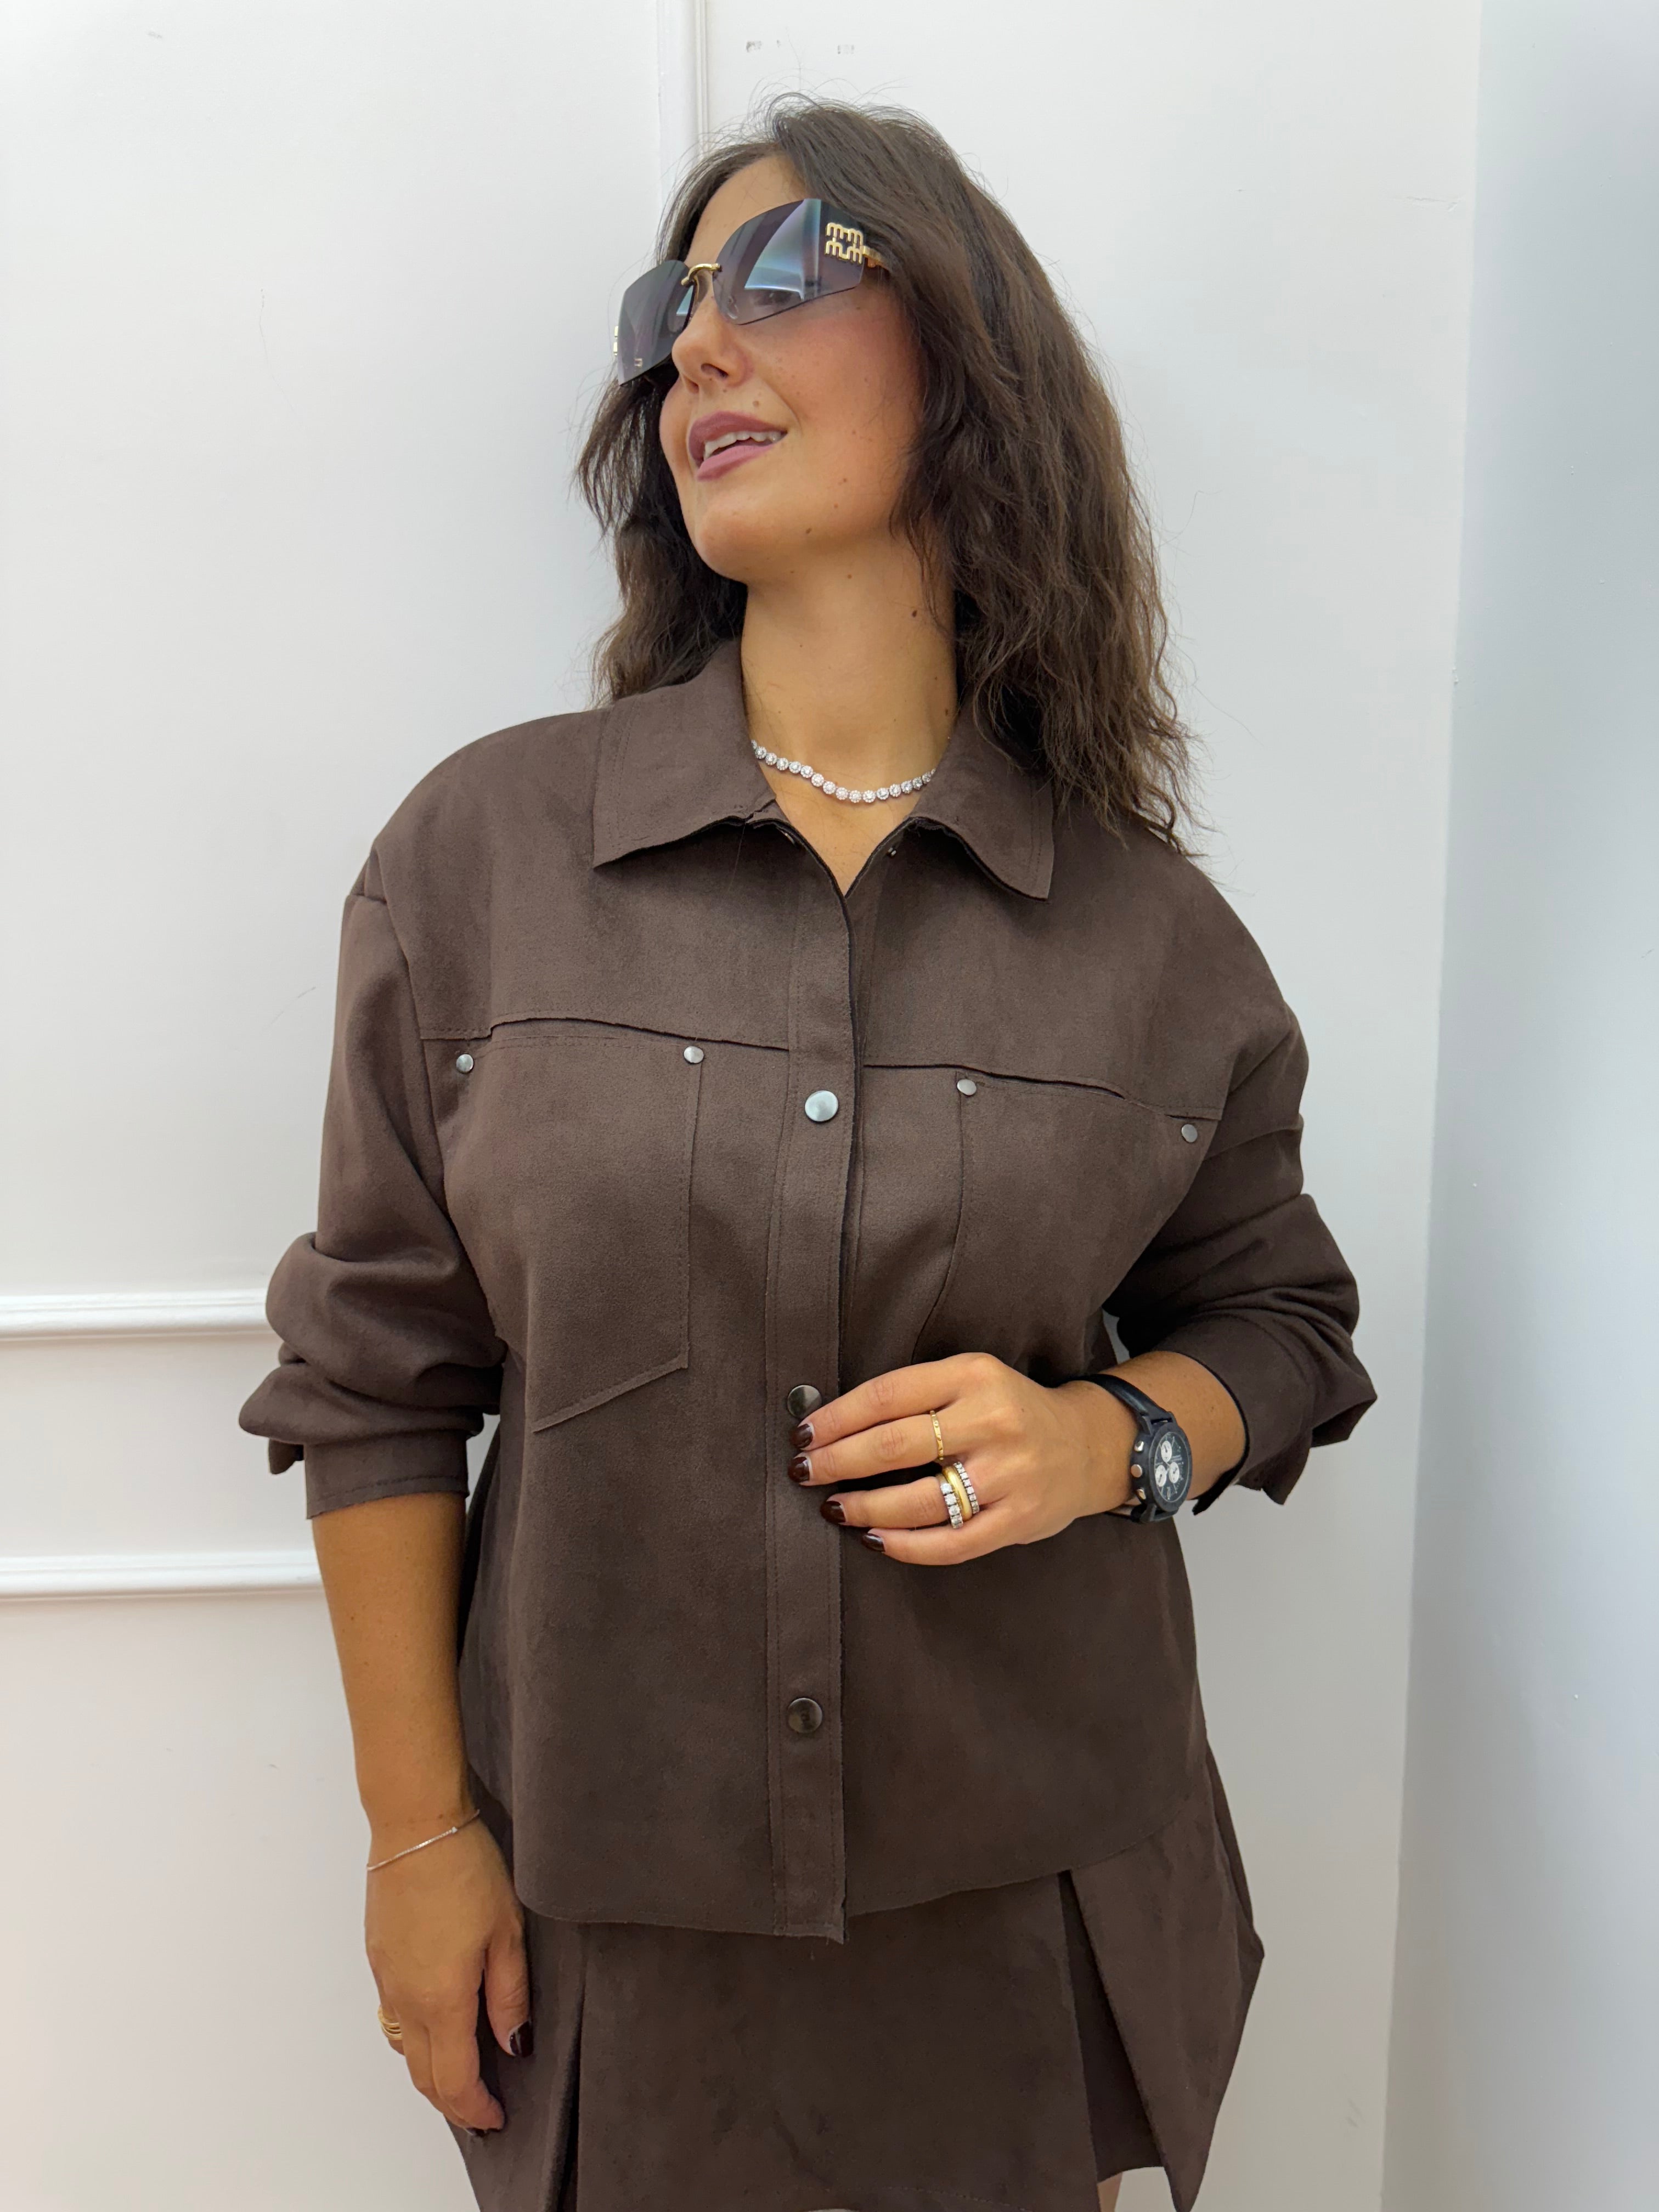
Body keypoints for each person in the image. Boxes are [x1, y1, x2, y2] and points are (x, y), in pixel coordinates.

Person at [240, 95, 1375, 2212]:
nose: (698, 345)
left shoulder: (1150, 937)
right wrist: (417, 1838)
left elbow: (1286, 1324)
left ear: (969, 356)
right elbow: (376, 1379)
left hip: (1028, 1922)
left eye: (783, 273)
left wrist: (1108, 1437)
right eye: (671, 309)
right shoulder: (485, 860)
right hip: (618, 1942)